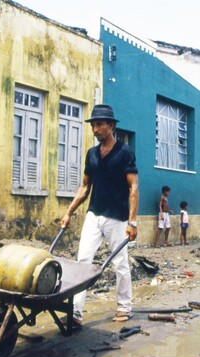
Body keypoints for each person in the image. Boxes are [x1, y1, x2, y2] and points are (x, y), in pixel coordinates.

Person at [60, 104, 138, 325]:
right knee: (83, 262)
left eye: (100, 124)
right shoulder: (91, 154)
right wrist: (68, 213)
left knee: (120, 264)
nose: (95, 129)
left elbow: (133, 188)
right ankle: (75, 312)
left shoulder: (124, 152)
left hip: (117, 217)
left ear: (111, 126)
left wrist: (132, 222)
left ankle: (124, 307)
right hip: (94, 216)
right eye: (93, 124)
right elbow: (85, 187)